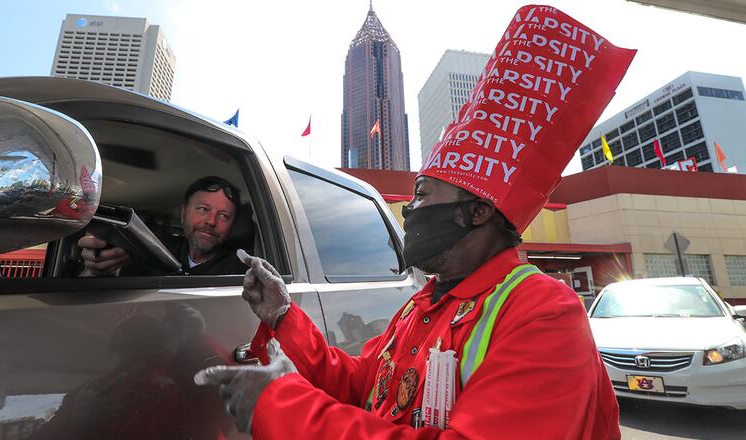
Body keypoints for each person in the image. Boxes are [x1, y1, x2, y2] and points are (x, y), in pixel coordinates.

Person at [194, 6, 636, 439]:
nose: (410, 209)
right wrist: (284, 315)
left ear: (477, 211)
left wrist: (279, 405)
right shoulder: (421, 305)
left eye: (423, 194)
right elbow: (359, 383)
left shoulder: (542, 311)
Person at [79, 176, 248, 276]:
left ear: (231, 226)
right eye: (203, 209)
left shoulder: (242, 272)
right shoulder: (154, 247)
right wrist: (105, 266)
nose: (211, 221)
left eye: (224, 216)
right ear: (183, 214)